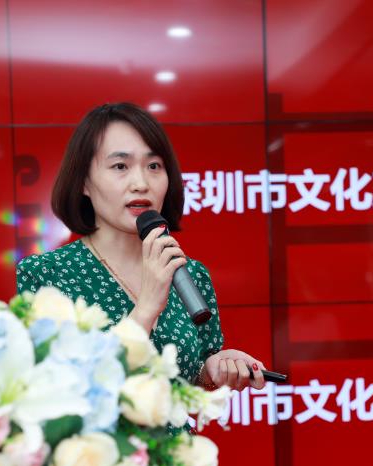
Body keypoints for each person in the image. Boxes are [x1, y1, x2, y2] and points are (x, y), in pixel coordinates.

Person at [16, 102, 266, 392]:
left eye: (154, 166)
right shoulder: (44, 275)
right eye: (120, 166)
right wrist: (146, 307)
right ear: (83, 181)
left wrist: (211, 371)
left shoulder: (190, 274)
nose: (141, 183)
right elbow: (48, 388)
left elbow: (187, 381)